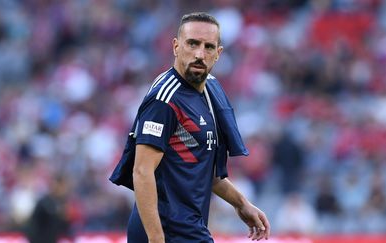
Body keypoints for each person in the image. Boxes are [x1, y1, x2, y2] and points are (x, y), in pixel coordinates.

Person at [109, 12, 270, 243]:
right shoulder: (165, 100)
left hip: (188, 226)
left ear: (218, 54)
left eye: (208, 47)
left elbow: (206, 171)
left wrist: (242, 204)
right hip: (167, 229)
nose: (199, 54)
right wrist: (156, 239)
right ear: (176, 46)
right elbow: (142, 172)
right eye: (192, 43)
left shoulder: (211, 91)